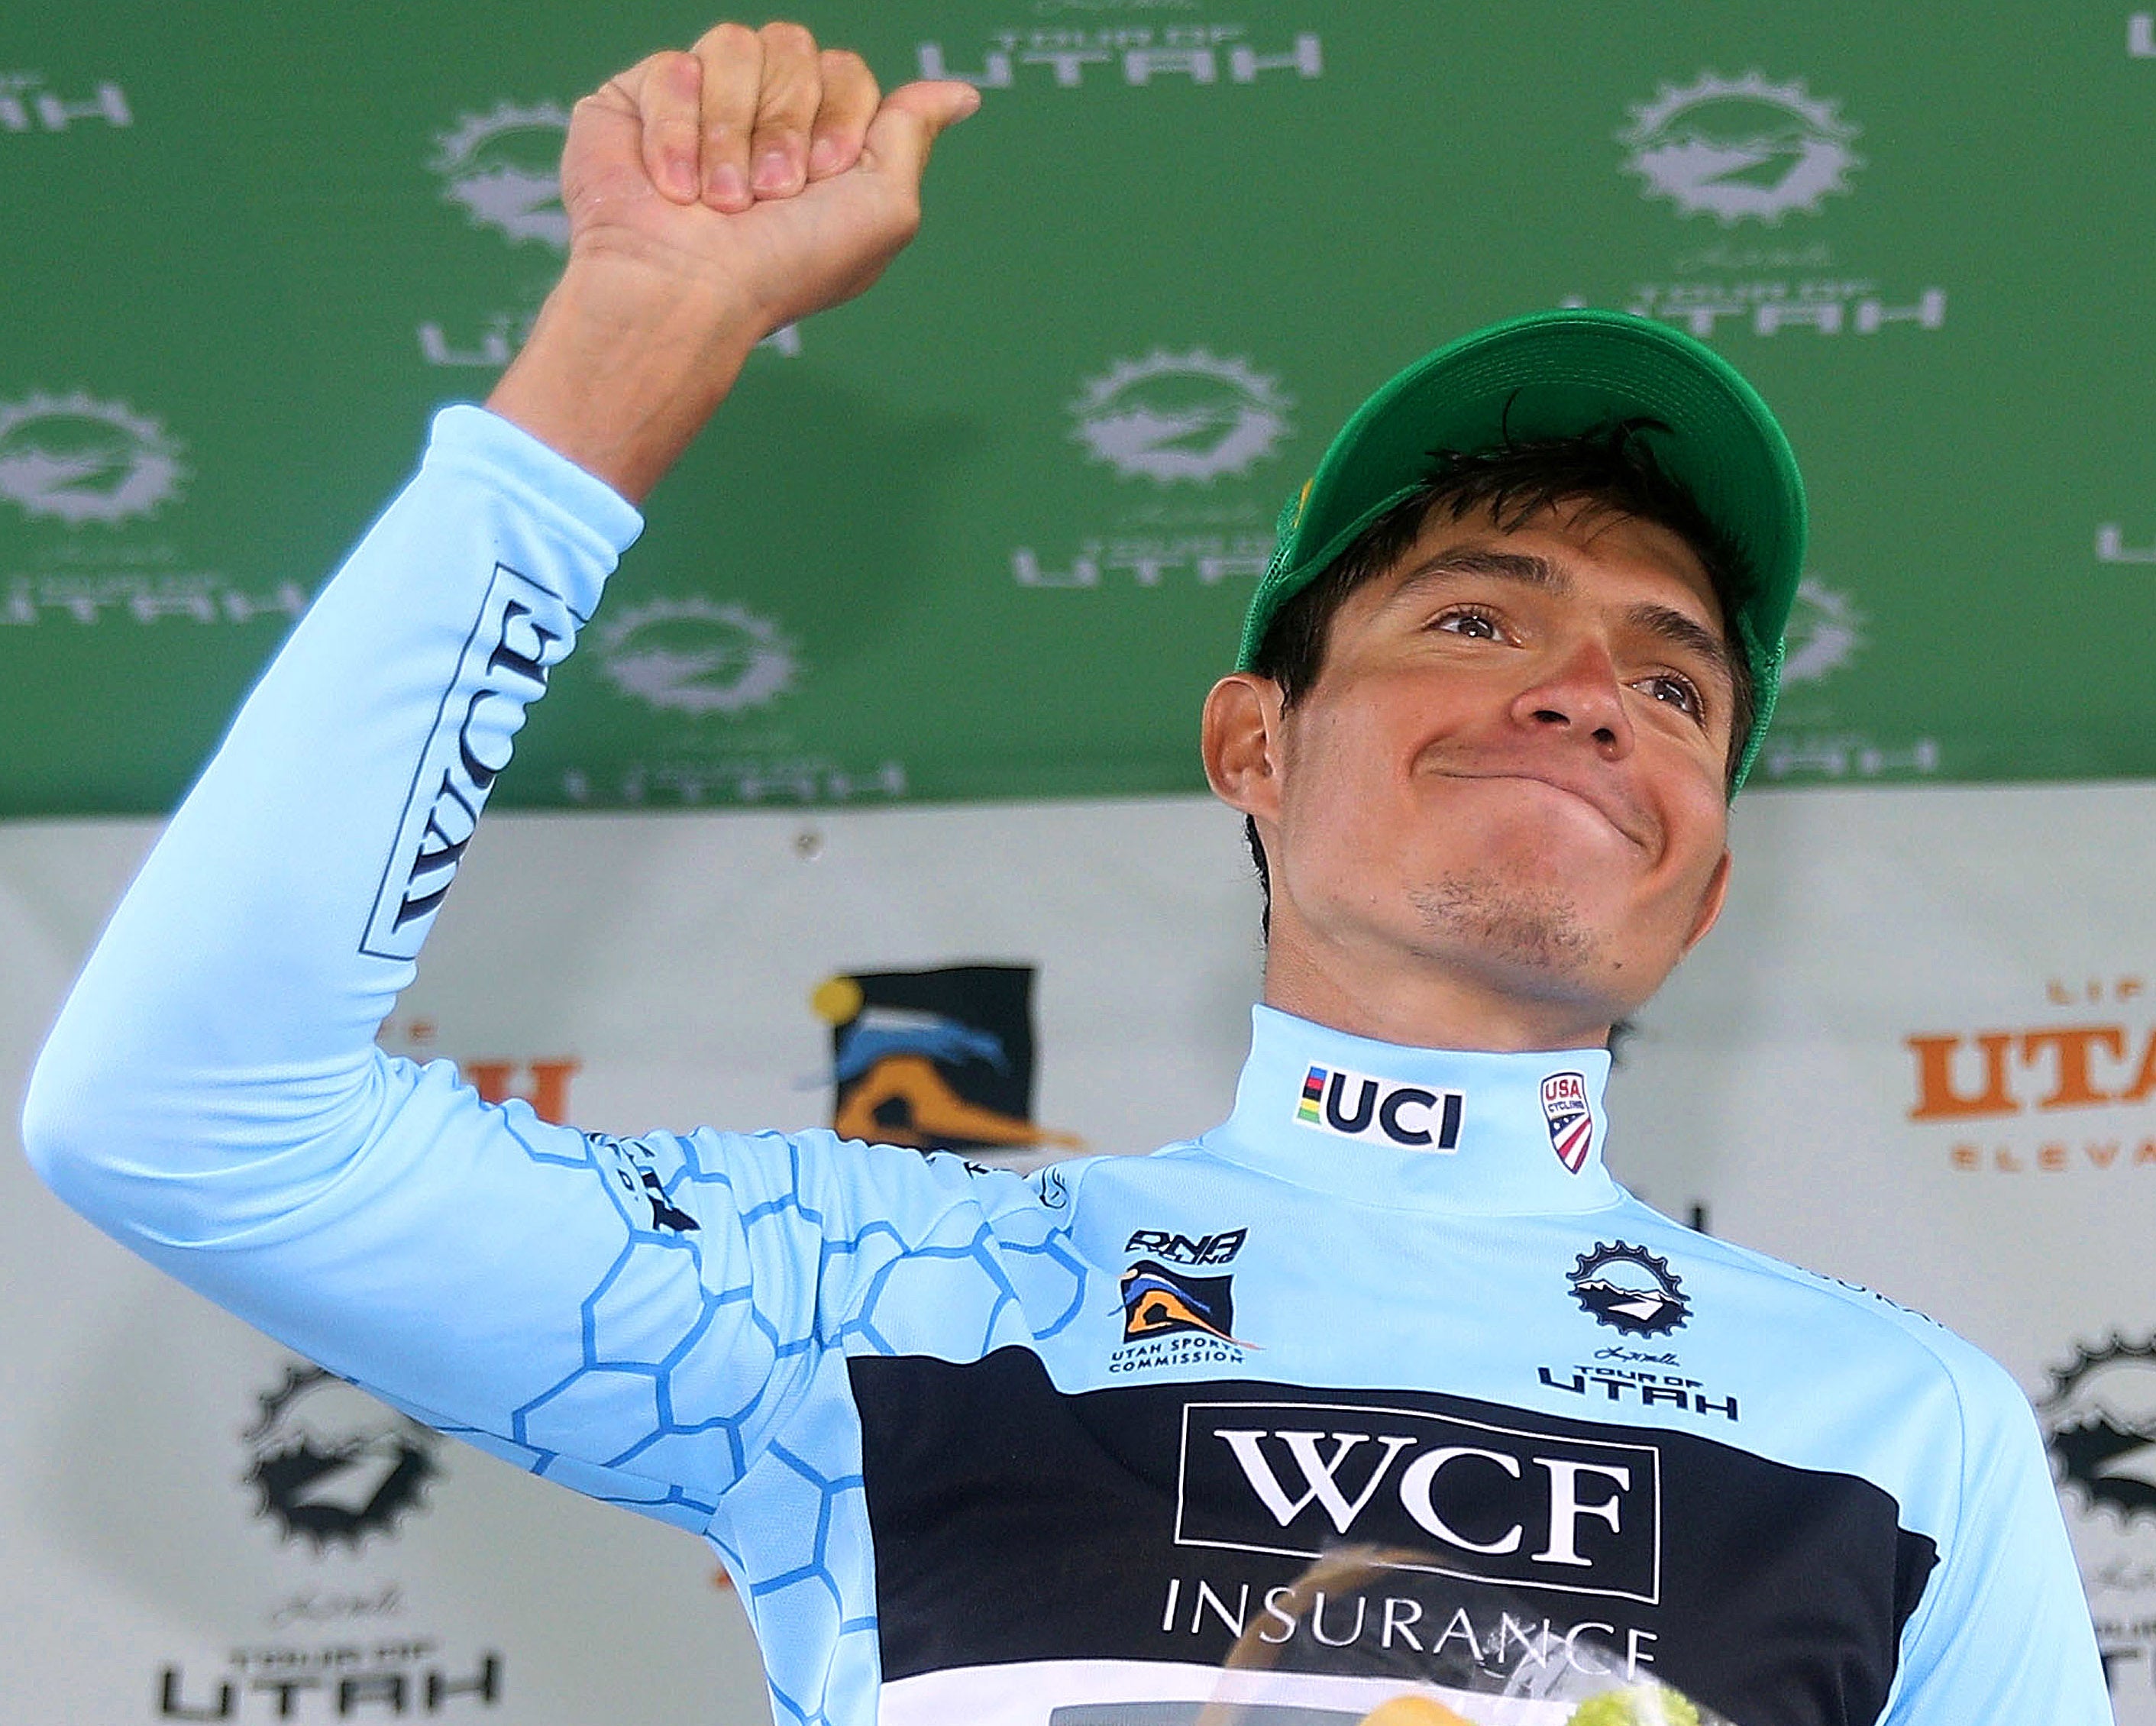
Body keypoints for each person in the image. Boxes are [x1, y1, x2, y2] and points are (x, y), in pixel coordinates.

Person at [18, 21, 2109, 1726]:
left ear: (1707, 871)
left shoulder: (1905, 1426)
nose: (1588, 691)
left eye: (1676, 684)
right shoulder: (892, 1293)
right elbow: (190, 1119)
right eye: (1478, 619)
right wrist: (630, 344)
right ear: (1252, 749)